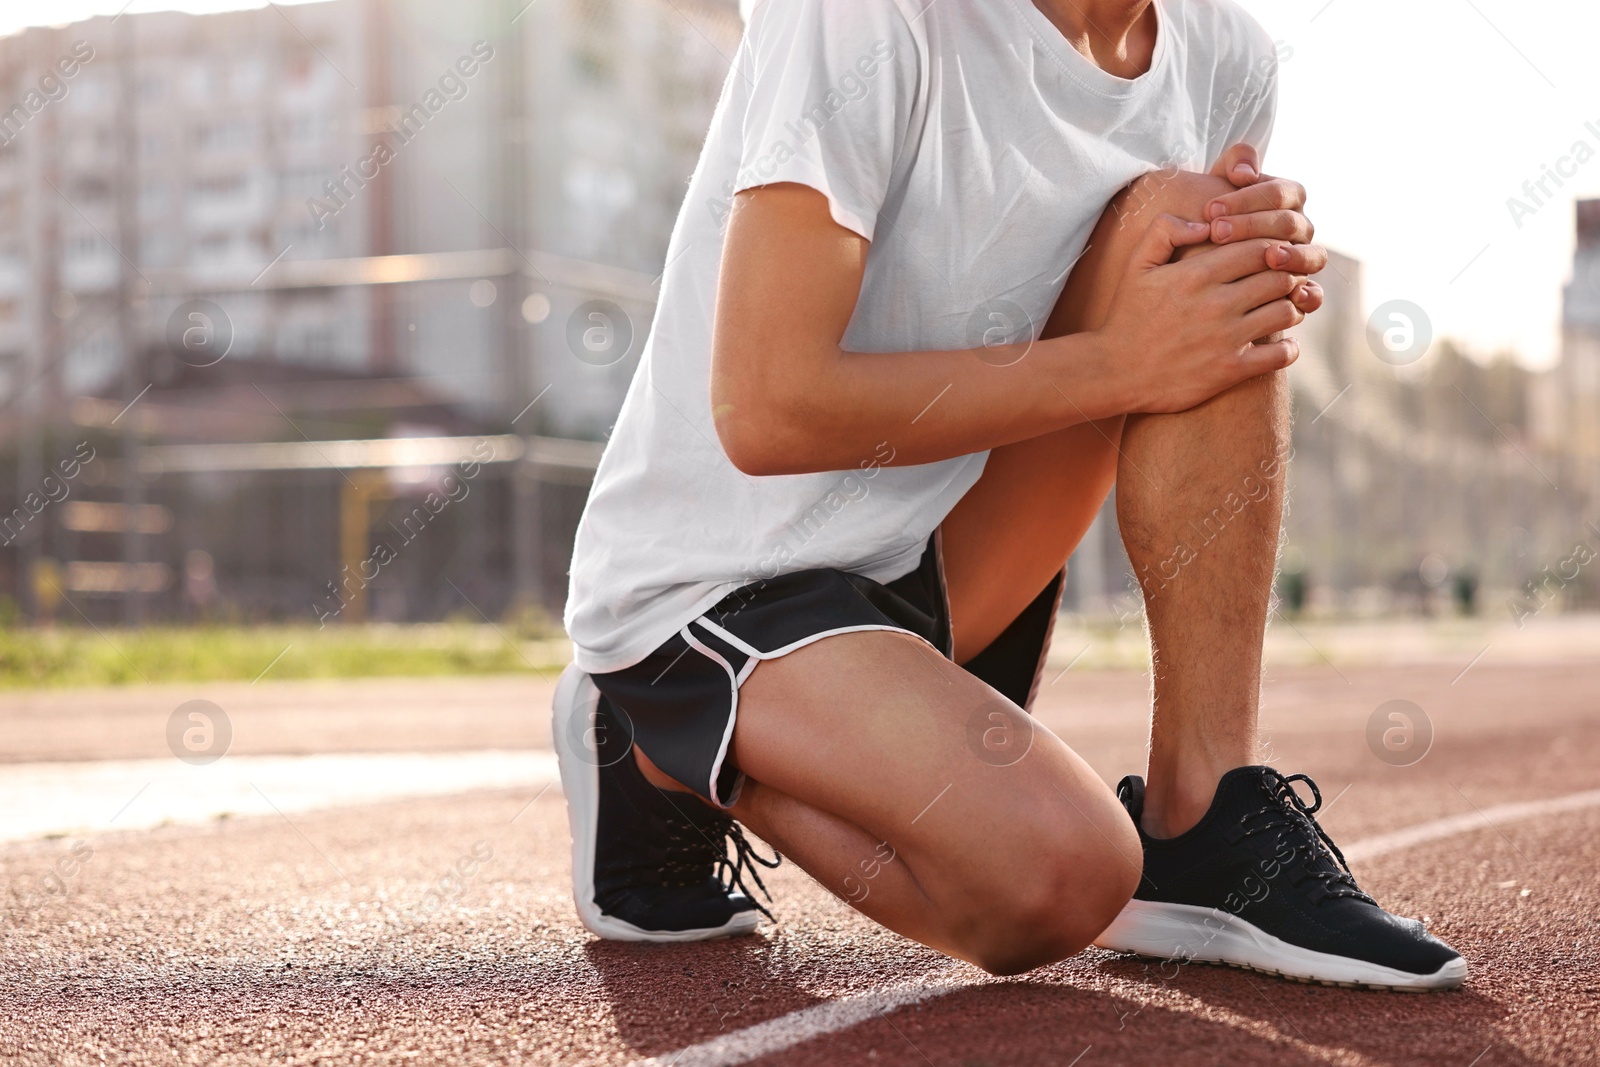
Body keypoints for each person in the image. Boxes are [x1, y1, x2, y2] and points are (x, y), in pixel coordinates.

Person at [553, 0, 1466, 990]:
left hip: (947, 547)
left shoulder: (1222, 52)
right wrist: (1120, 364)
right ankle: (657, 734)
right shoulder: (865, 17)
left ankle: (1208, 816)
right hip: (722, 578)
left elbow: (1182, 338)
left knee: (1217, 247)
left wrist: (1201, 305)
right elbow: (767, 408)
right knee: (1061, 877)